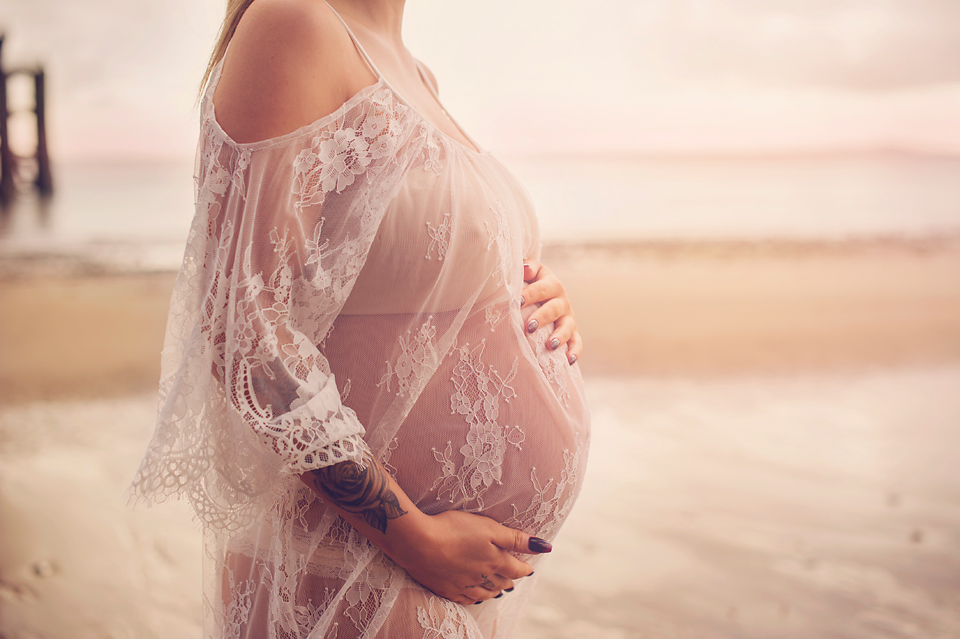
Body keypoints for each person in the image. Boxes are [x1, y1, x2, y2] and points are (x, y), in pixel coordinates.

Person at [131, 0, 590, 636]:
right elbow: (244, 334)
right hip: (357, 567)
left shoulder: (414, 70)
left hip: (424, 576)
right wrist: (412, 536)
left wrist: (529, 296)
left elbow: (410, 271)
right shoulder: (295, 23)